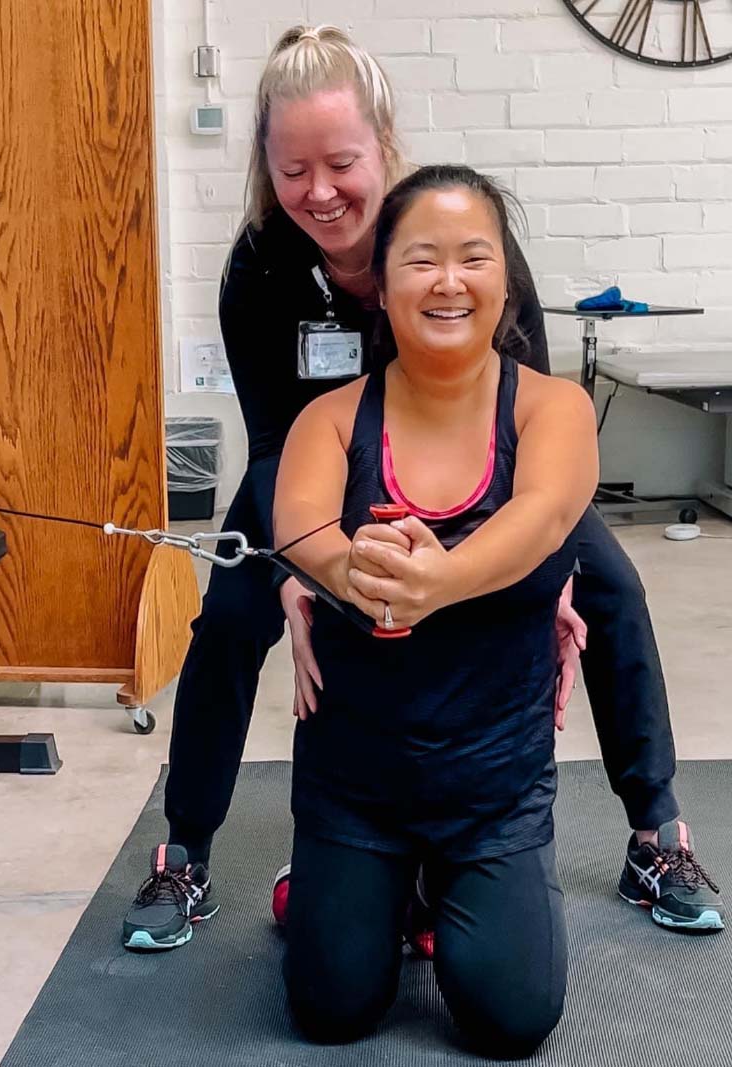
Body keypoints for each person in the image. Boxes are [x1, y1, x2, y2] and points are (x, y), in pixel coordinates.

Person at [121, 25, 724, 953]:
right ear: (266, 168)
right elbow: (279, 447)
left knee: (614, 589)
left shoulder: (463, 246)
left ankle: (656, 834)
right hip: (317, 482)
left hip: (470, 474)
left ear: (384, 144)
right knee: (233, 610)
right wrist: (299, 573)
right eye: (293, 170)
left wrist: (546, 577)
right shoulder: (259, 271)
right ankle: (184, 852)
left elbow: (538, 439)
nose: (319, 191)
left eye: (342, 162)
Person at [275, 162, 597, 1055]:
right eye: (421, 259)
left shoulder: (555, 410)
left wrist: (433, 580)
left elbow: (542, 518)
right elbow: (300, 526)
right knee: (332, 1011)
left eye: (473, 257)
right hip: (357, 780)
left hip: (494, 784)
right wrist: (352, 568)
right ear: (381, 282)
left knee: (511, 1019)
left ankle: (449, 887)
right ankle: (353, 881)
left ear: (504, 277)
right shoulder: (333, 420)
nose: (449, 281)